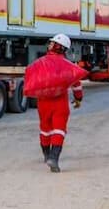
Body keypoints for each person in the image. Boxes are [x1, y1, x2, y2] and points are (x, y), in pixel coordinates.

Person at [35, 33, 84, 173]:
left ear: (58, 46)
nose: (49, 45)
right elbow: (76, 84)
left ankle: (46, 155)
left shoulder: (40, 62)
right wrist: (78, 98)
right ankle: (53, 158)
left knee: (45, 128)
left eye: (52, 43)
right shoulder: (67, 65)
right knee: (59, 129)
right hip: (59, 102)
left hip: (43, 101)